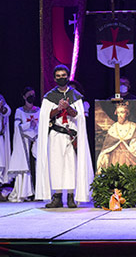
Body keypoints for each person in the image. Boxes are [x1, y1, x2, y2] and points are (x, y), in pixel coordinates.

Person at [35, 64, 93, 208]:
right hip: (56, 135)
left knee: (71, 165)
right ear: (55, 78)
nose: (61, 78)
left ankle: (71, 196)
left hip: (70, 136)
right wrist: (58, 108)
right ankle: (57, 197)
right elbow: (45, 116)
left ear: (68, 77)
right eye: (58, 76)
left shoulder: (75, 96)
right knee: (56, 165)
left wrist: (68, 107)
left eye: (63, 75)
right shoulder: (50, 97)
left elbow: (79, 116)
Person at [96, 99, 136, 174]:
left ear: (127, 113)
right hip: (114, 160)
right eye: (118, 113)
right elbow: (106, 148)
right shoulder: (113, 128)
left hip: (131, 160)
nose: (120, 115)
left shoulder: (135, 128)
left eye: (122, 112)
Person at [8, 86, 39, 201]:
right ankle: (26, 192)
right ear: (24, 96)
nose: (32, 97)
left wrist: (36, 127)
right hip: (24, 142)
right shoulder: (19, 111)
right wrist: (28, 125)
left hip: (36, 141)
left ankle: (38, 192)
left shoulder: (39, 110)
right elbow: (17, 127)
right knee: (27, 166)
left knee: (36, 166)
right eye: (29, 95)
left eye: (33, 95)